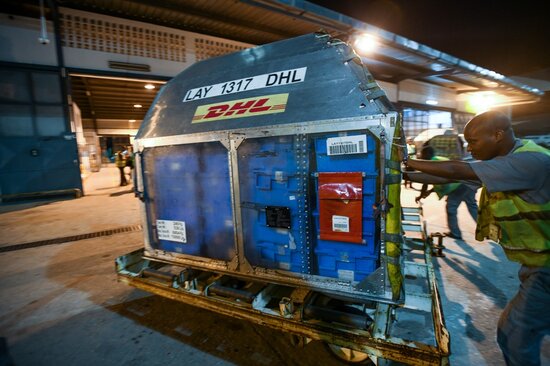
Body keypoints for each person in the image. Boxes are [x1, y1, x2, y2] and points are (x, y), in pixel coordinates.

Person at [403, 110, 549, 365]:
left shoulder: (530, 161)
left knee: (514, 335)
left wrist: (406, 159)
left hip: (547, 267)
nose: (469, 148)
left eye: (474, 142)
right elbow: (450, 175)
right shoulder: (505, 162)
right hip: (536, 264)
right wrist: (402, 174)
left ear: (498, 134)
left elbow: (456, 168)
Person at [415, 145, 478, 240]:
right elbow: (439, 180)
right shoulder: (438, 159)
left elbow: (426, 181)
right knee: (472, 206)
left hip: (458, 186)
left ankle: (455, 233)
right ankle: (487, 230)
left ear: (427, 154)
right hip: (468, 183)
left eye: (422, 154)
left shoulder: (431, 163)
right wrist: (429, 192)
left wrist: (420, 196)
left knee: (451, 207)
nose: (421, 157)